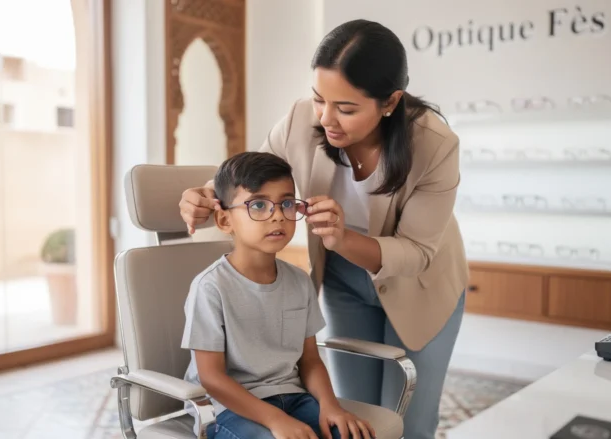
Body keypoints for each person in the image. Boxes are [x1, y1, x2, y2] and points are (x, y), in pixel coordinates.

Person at [179, 19, 469, 439]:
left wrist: (342, 238)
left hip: (421, 285)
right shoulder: (300, 119)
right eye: (320, 99)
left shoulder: (434, 145)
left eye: (346, 108)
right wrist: (206, 194)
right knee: (355, 419)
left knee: (410, 425)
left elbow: (418, 252)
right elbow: (250, 179)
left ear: (390, 102)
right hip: (344, 280)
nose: (327, 119)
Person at [181, 151, 376, 439]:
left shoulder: (299, 281)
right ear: (224, 220)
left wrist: (331, 406)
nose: (277, 216)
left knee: (350, 434)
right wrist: (275, 420)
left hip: (292, 396)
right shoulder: (210, 287)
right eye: (258, 205)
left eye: (286, 203)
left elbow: (309, 360)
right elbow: (212, 378)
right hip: (226, 408)